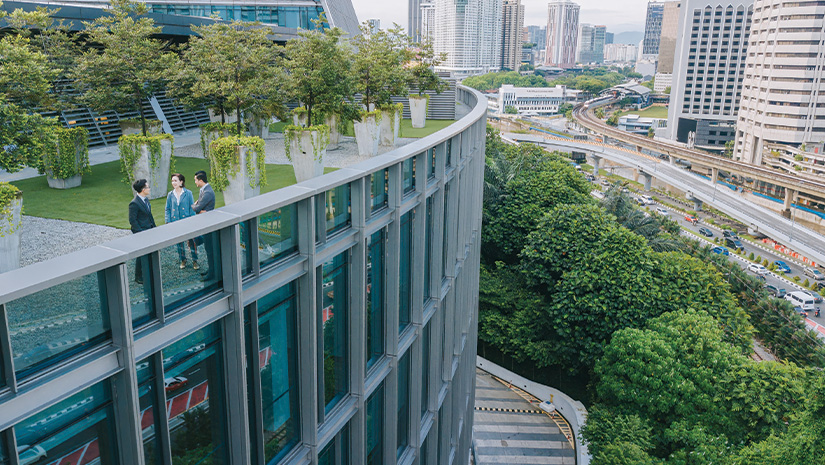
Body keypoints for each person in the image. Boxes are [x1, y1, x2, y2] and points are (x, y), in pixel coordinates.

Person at [165, 173, 199, 270]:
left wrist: (193, 221)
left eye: (175, 180)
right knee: (179, 243)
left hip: (187, 222)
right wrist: (168, 221)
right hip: (175, 222)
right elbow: (167, 209)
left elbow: (191, 207)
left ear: (181, 182)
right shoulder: (170, 195)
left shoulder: (188, 193)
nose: (173, 183)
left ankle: (195, 260)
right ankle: (183, 260)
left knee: (192, 242)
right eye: (172, 181)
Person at [129, 179, 156, 284]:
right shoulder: (134, 203)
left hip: (149, 230)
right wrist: (141, 233)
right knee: (141, 255)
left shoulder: (146, 200)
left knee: (149, 252)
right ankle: (138, 276)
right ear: (143, 189)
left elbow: (149, 215)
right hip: (142, 232)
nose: (149, 189)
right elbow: (132, 221)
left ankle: (147, 272)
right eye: (148, 187)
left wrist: (154, 228)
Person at [192, 171, 217, 280]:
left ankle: (212, 273)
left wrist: (194, 205)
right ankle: (211, 270)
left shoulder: (207, 193)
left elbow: (196, 208)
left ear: (201, 180)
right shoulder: (204, 190)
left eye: (196, 180)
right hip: (206, 223)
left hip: (209, 224)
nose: (195, 182)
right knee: (208, 249)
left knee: (210, 249)